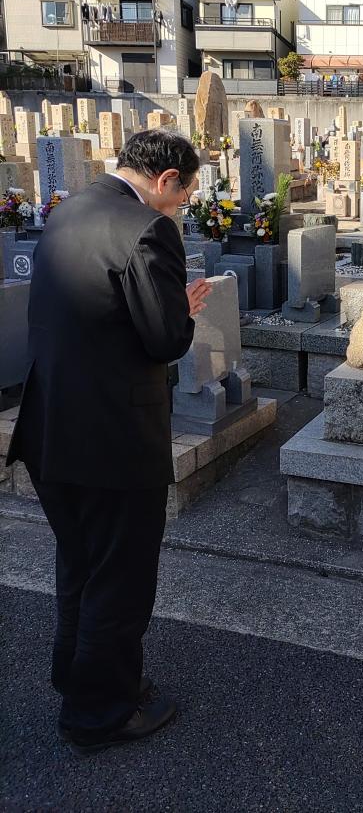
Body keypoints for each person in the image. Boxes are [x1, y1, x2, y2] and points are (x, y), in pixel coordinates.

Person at [7, 128, 211, 756]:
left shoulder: (67, 213)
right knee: (120, 579)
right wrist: (183, 310)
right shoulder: (147, 231)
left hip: (50, 429)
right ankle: (97, 714)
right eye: (182, 196)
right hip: (115, 437)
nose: (179, 208)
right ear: (167, 180)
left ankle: (79, 676)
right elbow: (162, 339)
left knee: (82, 564)